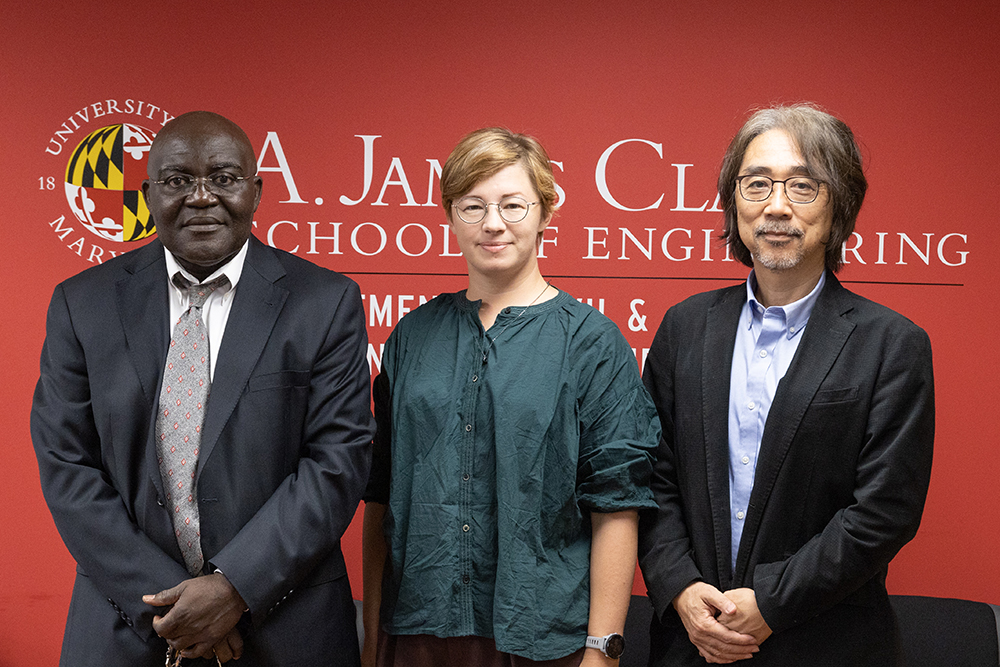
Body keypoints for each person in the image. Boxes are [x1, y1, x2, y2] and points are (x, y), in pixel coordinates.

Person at [31, 111, 375, 666]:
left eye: (223, 177)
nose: (201, 197)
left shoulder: (324, 302)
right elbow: (67, 464)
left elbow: (337, 462)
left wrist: (233, 588)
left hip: (287, 628)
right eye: (177, 180)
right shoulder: (81, 304)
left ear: (256, 191)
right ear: (147, 193)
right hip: (127, 628)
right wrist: (173, 611)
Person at [638, 104, 934, 666]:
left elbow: (884, 512)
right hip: (692, 643)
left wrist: (771, 603)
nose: (776, 206)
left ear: (839, 206)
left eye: (803, 186)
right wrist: (680, 587)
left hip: (827, 644)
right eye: (756, 185)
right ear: (734, 204)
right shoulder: (685, 326)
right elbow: (651, 476)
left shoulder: (891, 343)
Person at [361, 127, 660, 667]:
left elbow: (616, 506)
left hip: (547, 641)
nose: (493, 223)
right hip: (418, 636)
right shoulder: (411, 337)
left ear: (546, 211)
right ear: (450, 215)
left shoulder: (590, 342)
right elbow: (381, 498)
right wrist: (372, 643)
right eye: (472, 206)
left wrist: (603, 653)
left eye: (512, 205)